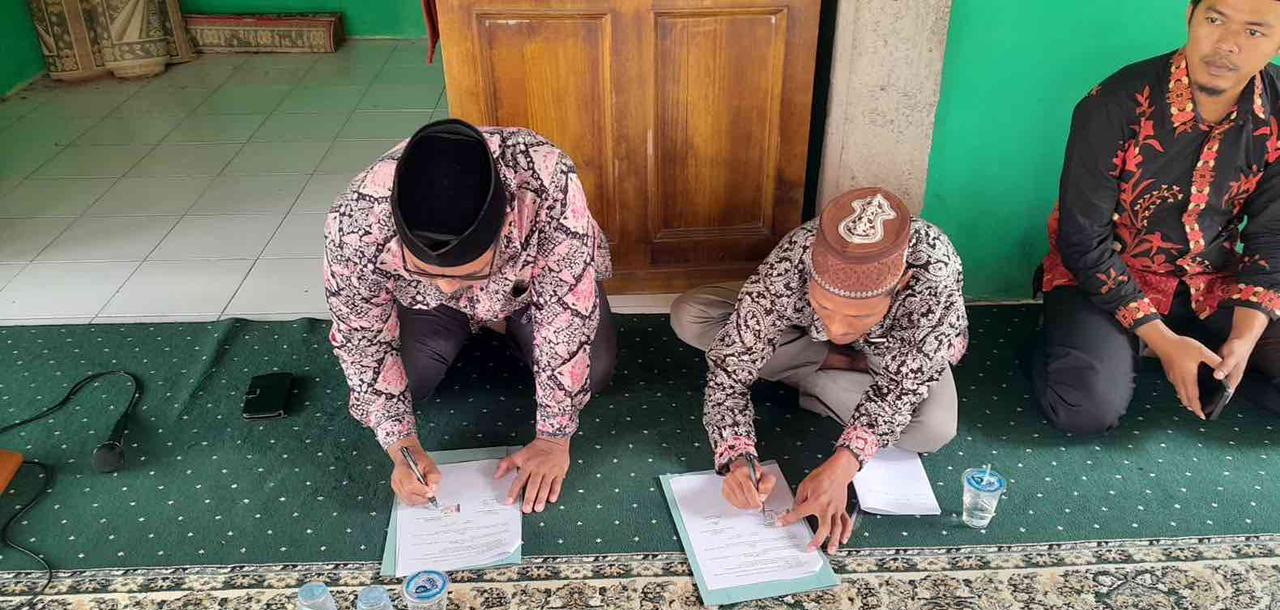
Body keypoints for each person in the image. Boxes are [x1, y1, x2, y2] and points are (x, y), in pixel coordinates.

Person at [324, 119, 616, 514]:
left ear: (505, 226)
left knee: (593, 370)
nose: (449, 287)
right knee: (407, 382)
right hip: (423, 307)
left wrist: (553, 439)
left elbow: (567, 318)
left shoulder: (547, 181)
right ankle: (474, 325)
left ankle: (503, 326)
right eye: (428, 271)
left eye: (470, 273)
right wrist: (402, 445)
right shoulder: (355, 220)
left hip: (527, 292)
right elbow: (362, 340)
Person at [670, 187, 968, 554]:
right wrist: (737, 457)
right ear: (809, 273)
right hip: (804, 336)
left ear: (901, 284)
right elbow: (730, 369)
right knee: (693, 316)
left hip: (899, 354)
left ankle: (806, 376)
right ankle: (834, 371)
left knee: (932, 429)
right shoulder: (797, 254)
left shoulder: (934, 273)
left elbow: (902, 388)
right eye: (824, 306)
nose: (837, 329)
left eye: (858, 315)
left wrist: (844, 466)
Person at [1034, 0, 1280, 433]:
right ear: (1190, 16)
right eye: (1215, 19)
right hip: (1109, 279)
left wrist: (1244, 339)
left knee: (1249, 349)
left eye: (1254, 31)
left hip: (1213, 282)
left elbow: (1272, 237)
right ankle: (1082, 343)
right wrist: (1160, 338)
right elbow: (1083, 241)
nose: (1227, 44)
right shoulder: (1114, 104)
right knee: (1085, 408)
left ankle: (1200, 355)